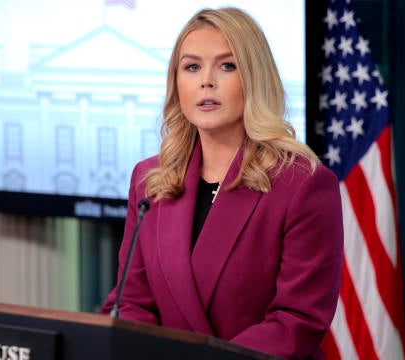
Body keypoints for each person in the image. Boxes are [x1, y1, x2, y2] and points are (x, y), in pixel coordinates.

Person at [101, 7, 344, 360]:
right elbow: (130, 303)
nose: (206, 81)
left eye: (227, 66)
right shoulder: (150, 181)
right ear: (177, 83)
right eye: (192, 67)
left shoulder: (304, 185)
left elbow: (296, 323)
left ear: (254, 79)